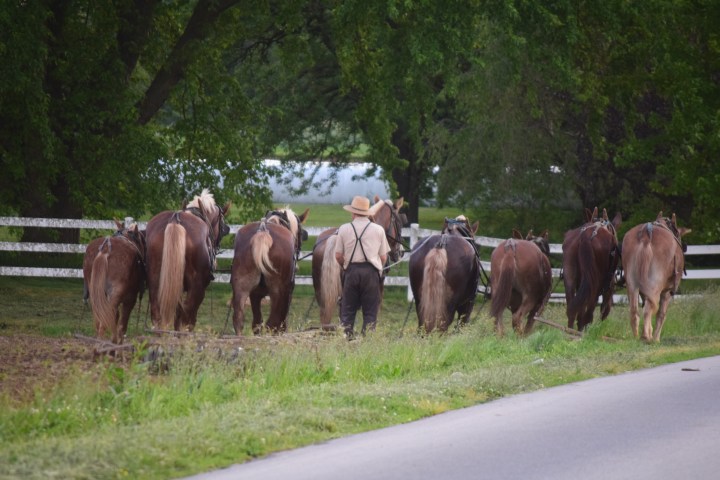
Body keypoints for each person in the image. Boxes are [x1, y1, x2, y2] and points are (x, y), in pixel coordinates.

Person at [335, 196, 390, 339]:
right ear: (367, 213)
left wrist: (346, 266)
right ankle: (367, 342)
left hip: (351, 272)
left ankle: (347, 339)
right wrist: (377, 268)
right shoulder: (378, 230)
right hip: (371, 274)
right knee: (370, 312)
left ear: (353, 213)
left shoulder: (344, 229)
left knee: (347, 312)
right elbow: (384, 257)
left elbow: (338, 255)